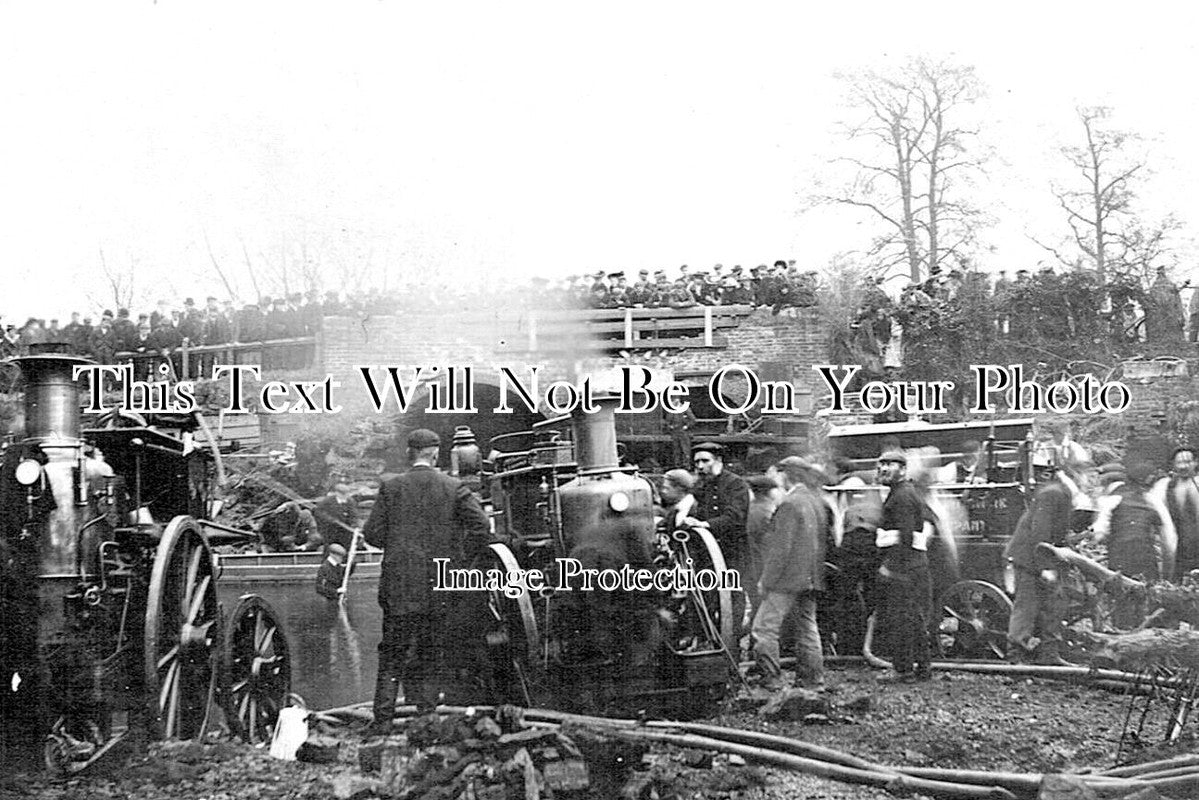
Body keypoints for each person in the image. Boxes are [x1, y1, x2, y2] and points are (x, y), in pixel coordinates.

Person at [362, 428, 491, 734]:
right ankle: (427, 719)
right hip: (438, 584)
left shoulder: (391, 488)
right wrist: (456, 551)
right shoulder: (453, 486)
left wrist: (398, 545)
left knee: (392, 653)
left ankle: (382, 721)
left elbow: (372, 534)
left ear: (410, 454)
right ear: (435, 454)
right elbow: (482, 526)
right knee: (431, 652)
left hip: (399, 585)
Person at [750, 457, 827, 691]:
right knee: (807, 628)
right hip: (811, 577)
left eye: (776, 473)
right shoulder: (814, 501)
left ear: (786, 475)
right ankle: (813, 681)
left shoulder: (789, 504)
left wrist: (766, 581)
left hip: (787, 580)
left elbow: (780, 549)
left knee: (763, 629)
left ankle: (771, 681)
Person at [1004, 454, 1082, 665]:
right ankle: (1016, 656)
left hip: (1043, 556)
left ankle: (1049, 653)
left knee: (1054, 604)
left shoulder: (1061, 493)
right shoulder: (1052, 494)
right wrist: (1045, 567)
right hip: (1029, 557)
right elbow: (1041, 533)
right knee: (1026, 607)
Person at [874, 449, 934, 681]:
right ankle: (923, 668)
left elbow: (906, 536)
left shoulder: (901, 496)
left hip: (904, 568)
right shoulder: (903, 492)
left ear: (903, 469)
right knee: (914, 618)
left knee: (900, 620)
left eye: (890, 464)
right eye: (881, 464)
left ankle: (903, 670)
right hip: (913, 566)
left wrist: (891, 567)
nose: (884, 469)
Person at [691, 442, 750, 657]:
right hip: (707, 558)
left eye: (705, 461)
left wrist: (705, 525)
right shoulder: (700, 487)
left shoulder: (735, 485)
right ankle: (709, 653)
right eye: (697, 462)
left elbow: (735, 517)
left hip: (732, 556)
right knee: (705, 604)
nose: (700, 466)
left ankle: (731, 656)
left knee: (732, 610)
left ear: (719, 462)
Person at [1152, 447, 1199, 581]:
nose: (1183, 466)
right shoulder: (1165, 487)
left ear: (1196, 462)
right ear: (1173, 464)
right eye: (1179, 463)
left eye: (1188, 462)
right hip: (1179, 547)